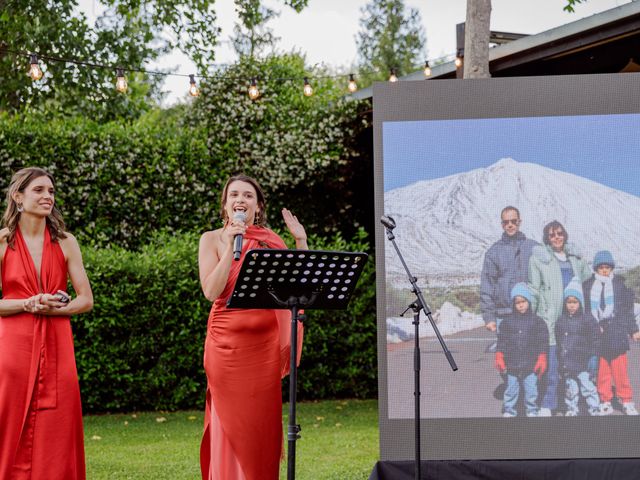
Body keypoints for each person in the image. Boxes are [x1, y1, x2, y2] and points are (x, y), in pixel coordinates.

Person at [198, 174, 308, 480]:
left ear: (257, 206)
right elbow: (211, 291)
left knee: (260, 427)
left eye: (248, 196)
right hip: (225, 346)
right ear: (225, 204)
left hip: (263, 350)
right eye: (234, 194)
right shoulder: (210, 239)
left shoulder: (270, 241)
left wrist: (299, 240)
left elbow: (297, 285)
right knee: (228, 425)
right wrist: (233, 243)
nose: (240, 200)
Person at [0, 167, 93, 479]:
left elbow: (85, 300)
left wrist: (52, 308)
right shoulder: (1, 242)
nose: (47, 196)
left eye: (51, 191)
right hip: (14, 344)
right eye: (38, 190)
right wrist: (28, 303)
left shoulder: (66, 242)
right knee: (9, 418)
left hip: (57, 340)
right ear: (18, 197)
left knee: (60, 420)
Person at [529, 220, 591, 416]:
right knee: (553, 365)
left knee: (576, 361)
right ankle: (549, 403)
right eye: (552, 235)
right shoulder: (539, 259)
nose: (556, 238)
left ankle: (574, 402)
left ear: (565, 234)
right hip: (551, 318)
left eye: (559, 233)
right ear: (547, 238)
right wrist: (533, 315)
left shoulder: (575, 258)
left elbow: (588, 283)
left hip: (574, 318)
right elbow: (534, 289)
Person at [583, 250, 640, 416]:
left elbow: (626, 310)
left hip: (617, 334)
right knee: (603, 372)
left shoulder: (619, 285)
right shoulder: (588, 286)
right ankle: (605, 400)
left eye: (607, 267)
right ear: (595, 268)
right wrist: (593, 327)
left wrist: (634, 330)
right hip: (598, 335)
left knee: (620, 371)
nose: (604, 270)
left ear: (612, 268)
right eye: (601, 267)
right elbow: (586, 311)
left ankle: (627, 400)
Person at [480, 206, 537, 346]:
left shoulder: (534, 248)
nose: (510, 225)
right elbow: (487, 286)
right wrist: (489, 317)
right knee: (507, 360)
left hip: (530, 315)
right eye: (506, 222)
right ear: (502, 224)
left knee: (531, 359)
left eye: (513, 221)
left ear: (519, 222)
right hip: (504, 315)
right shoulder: (494, 253)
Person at [494, 283, 548, 417]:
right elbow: (502, 341)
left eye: (523, 301)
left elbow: (542, 341)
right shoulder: (507, 322)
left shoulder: (537, 322)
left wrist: (542, 357)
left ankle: (532, 410)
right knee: (511, 390)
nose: (521, 305)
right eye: (517, 302)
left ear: (528, 301)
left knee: (531, 391)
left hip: (531, 365)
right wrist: (499, 356)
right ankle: (509, 411)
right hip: (512, 365)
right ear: (513, 304)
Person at [555, 278, 601, 416]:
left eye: (575, 302)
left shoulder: (587, 319)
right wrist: (560, 358)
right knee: (571, 388)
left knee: (587, 386)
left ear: (580, 303)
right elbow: (559, 340)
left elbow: (595, 339)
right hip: (567, 362)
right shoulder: (561, 320)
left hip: (582, 361)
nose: (572, 306)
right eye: (569, 302)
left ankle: (594, 407)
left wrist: (593, 356)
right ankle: (572, 408)